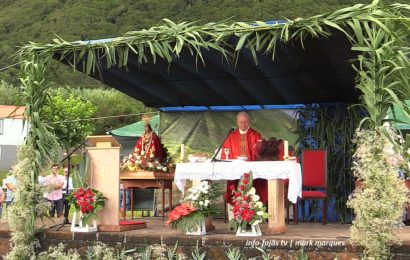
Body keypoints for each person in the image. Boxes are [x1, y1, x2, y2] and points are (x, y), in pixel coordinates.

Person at [222, 112, 267, 205]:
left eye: (245, 122)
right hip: (235, 169)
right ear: (237, 122)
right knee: (235, 189)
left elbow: (262, 152)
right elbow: (225, 153)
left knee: (254, 190)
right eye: (241, 122)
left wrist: (257, 149)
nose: (243, 124)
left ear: (248, 122)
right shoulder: (231, 136)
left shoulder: (255, 135)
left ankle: (252, 209)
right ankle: (237, 209)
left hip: (251, 171)